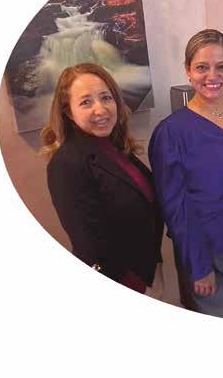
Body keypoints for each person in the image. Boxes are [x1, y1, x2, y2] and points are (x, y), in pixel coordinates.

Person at [148, 29, 223, 323]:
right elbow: (176, 208)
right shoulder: (171, 133)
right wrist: (199, 266)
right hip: (209, 254)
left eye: (222, 66)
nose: (212, 76)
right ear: (188, 71)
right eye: (202, 67)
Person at [43, 63, 164, 298]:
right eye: (86, 102)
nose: (101, 109)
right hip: (123, 281)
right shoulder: (66, 163)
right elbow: (88, 244)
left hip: (147, 269)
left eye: (106, 98)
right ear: (68, 112)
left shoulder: (115, 147)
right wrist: (135, 284)